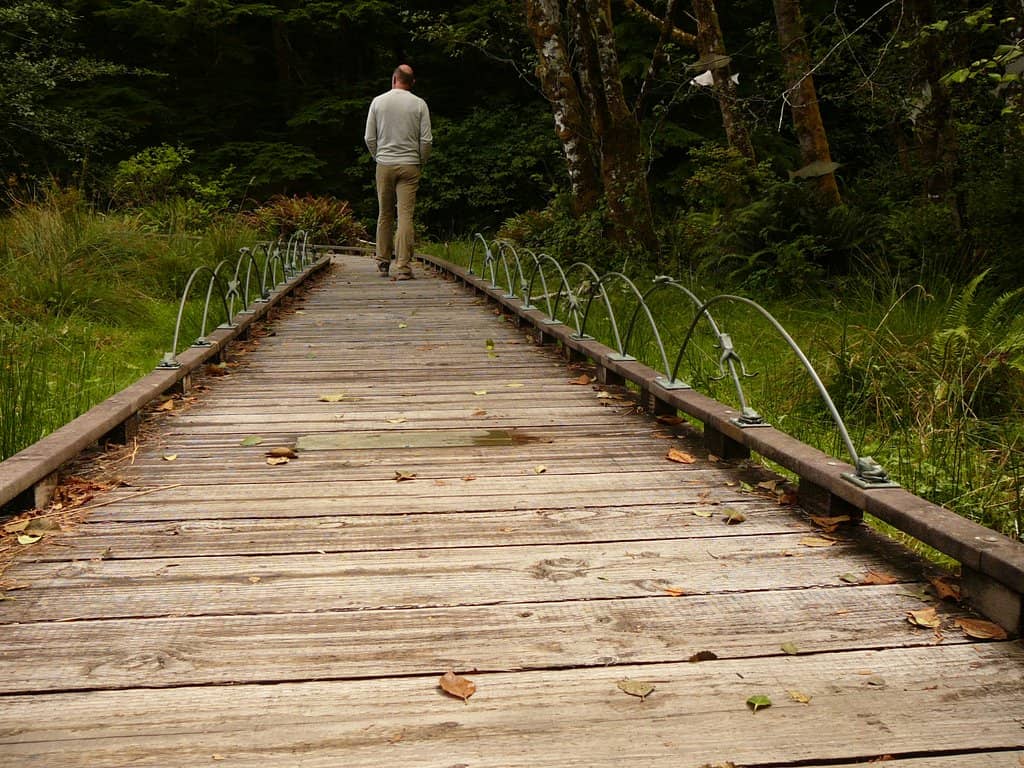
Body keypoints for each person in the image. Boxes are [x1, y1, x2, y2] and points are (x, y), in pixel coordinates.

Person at [364, 64, 432, 281]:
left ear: (394, 79)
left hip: (385, 163)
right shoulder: (419, 104)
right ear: (412, 82)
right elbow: (426, 139)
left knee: (385, 213)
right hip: (410, 164)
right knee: (405, 215)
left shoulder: (378, 102)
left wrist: (378, 157)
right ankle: (403, 267)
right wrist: (420, 160)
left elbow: (369, 138)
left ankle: (383, 261)